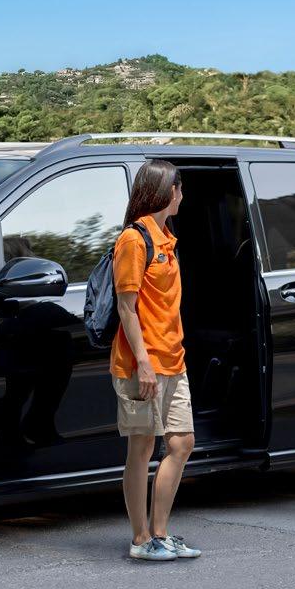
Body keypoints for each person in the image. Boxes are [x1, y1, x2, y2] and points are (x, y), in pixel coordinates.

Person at [112, 159, 201, 561]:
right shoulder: (134, 240)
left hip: (173, 359)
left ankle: (161, 534)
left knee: (181, 443)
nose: (182, 195)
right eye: (179, 188)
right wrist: (144, 362)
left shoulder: (165, 237)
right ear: (166, 191)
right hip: (143, 363)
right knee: (142, 447)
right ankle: (140, 538)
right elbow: (126, 307)